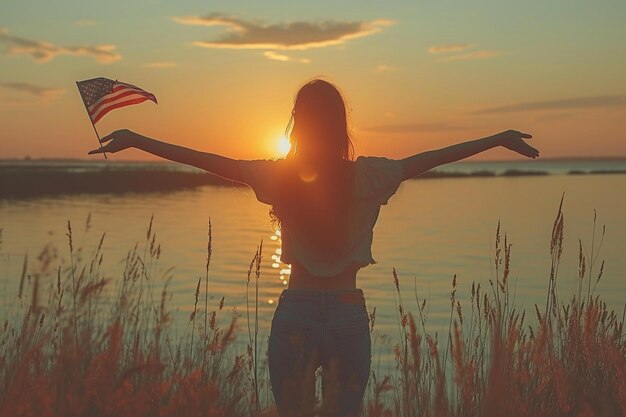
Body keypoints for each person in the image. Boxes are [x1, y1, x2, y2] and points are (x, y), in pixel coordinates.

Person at [89, 78, 539, 417]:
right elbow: (434, 157)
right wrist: (497, 138)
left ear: (297, 123)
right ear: (340, 124)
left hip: (296, 315)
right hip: (347, 314)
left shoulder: (281, 177)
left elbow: (206, 159)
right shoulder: (369, 176)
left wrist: (137, 140)